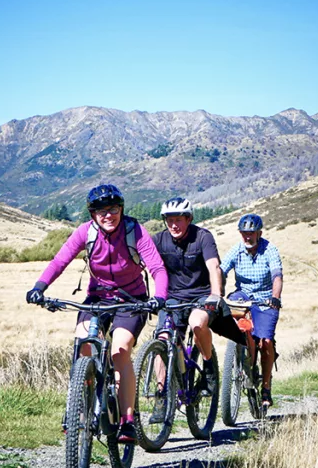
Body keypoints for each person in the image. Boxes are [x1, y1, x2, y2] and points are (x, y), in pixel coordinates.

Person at [26, 184, 168, 443]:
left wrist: (158, 297)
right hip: (97, 299)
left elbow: (157, 267)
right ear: (92, 214)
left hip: (131, 300)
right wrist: (39, 287)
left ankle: (126, 421)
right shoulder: (85, 232)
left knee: (120, 350)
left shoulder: (134, 230)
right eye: (101, 211)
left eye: (113, 209)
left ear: (121, 209)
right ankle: (78, 410)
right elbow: (60, 261)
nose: (108, 215)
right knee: (83, 345)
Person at [148, 197, 231, 422]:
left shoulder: (202, 237)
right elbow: (141, 262)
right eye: (169, 220)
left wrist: (216, 295)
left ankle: (208, 364)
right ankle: (161, 396)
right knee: (163, 340)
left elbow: (213, 266)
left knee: (197, 323)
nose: (173, 225)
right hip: (172, 299)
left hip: (201, 297)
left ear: (189, 219)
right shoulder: (159, 240)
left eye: (178, 220)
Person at [220, 213, 283, 408]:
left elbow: (277, 276)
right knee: (237, 323)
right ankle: (243, 352)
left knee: (265, 341)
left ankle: (265, 387)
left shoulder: (269, 250)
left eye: (251, 233)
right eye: (244, 233)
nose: (248, 237)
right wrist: (218, 290)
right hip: (243, 296)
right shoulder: (236, 250)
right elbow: (221, 270)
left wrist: (275, 297)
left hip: (265, 299)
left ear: (259, 233)